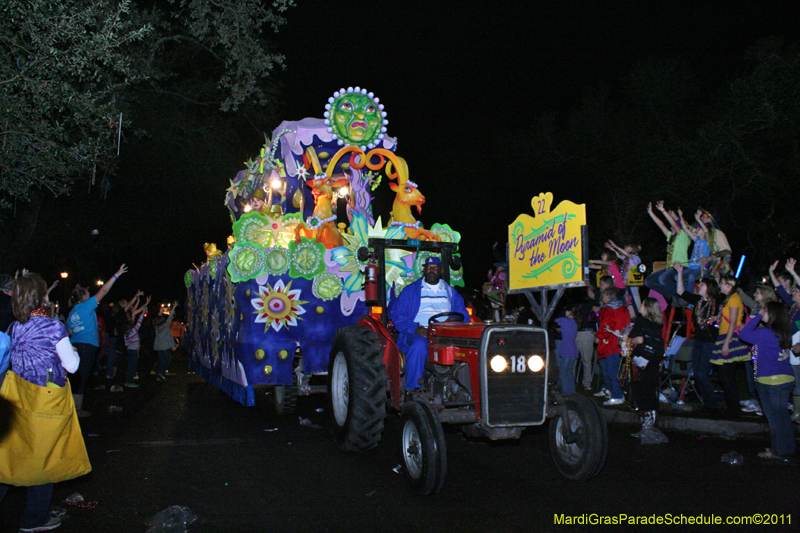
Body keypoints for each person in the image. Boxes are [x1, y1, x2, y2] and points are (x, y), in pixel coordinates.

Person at [0, 273, 80, 532]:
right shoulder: (53, 326)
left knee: (13, 456)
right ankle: (34, 520)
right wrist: (74, 351)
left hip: (17, 400)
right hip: (46, 402)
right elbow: (72, 366)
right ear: (40, 296)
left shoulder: (14, 327)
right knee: (43, 459)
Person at [389, 257, 468, 393]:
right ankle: (413, 389)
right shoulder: (410, 291)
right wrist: (415, 328)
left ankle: (463, 387)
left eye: (435, 268)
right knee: (419, 346)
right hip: (420, 332)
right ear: (424, 270)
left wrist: (453, 319)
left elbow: (463, 315)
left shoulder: (450, 292)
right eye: (428, 268)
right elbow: (397, 315)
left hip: (445, 333)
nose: (431, 271)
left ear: (441, 270)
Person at [66, 265, 128, 416]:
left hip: (75, 346)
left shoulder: (72, 312)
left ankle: (71, 407)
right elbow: (104, 291)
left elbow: (69, 332)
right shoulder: (86, 306)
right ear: (84, 297)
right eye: (87, 293)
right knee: (83, 377)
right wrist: (116, 274)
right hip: (87, 347)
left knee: (76, 377)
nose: (89, 294)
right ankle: (77, 410)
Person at [737, 301, 795, 460]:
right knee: (782, 416)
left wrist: (758, 317)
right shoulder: (783, 332)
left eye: (766, 310)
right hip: (785, 379)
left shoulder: (767, 333)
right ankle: (786, 448)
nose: (763, 312)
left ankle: (778, 451)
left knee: (775, 419)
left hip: (771, 382)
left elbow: (744, 333)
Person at [675, 263, 722, 410]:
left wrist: (718, 317)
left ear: (709, 287)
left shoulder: (718, 301)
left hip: (710, 341)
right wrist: (680, 273)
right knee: (698, 372)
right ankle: (706, 402)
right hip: (699, 341)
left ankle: (712, 404)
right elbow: (681, 292)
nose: (698, 286)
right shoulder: (697, 301)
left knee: (702, 374)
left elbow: (726, 312)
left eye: (702, 284)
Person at [623, 298, 665, 436]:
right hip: (652, 361)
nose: (640, 306)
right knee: (650, 391)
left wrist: (627, 340)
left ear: (646, 308)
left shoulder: (641, 321)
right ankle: (652, 421)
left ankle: (646, 424)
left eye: (642, 304)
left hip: (640, 361)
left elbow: (639, 339)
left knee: (640, 391)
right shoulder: (656, 324)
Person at [709, 275, 749, 418]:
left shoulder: (734, 299)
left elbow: (733, 322)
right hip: (724, 335)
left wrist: (726, 343)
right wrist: (717, 319)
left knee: (727, 376)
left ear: (729, 285)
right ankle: (732, 407)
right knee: (725, 375)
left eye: (722, 283)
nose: (720, 285)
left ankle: (734, 409)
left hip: (729, 337)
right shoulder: (729, 299)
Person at [595, 287, 630, 405]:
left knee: (611, 370)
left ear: (609, 296)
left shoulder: (608, 310)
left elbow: (605, 327)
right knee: (618, 369)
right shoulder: (624, 309)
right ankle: (615, 391)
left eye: (604, 295)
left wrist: (598, 335)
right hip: (621, 343)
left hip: (609, 344)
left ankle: (616, 395)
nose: (602, 297)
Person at [123, 296, 150, 388]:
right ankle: (129, 381)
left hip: (129, 350)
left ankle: (128, 379)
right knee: (132, 366)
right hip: (133, 351)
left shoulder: (125, 334)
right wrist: (143, 312)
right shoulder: (133, 331)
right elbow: (140, 321)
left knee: (129, 366)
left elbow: (126, 344)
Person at [555, 306, 579, 395]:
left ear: (569, 312)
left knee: (563, 371)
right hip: (573, 350)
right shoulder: (574, 323)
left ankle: (565, 392)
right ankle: (572, 391)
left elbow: (554, 320)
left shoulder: (564, 320)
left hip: (566, 350)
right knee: (569, 371)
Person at [153, 302, 179, 381]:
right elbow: (170, 317)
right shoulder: (165, 326)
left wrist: (160, 312)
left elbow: (158, 318)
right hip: (165, 346)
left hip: (158, 346)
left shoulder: (157, 327)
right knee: (166, 360)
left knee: (161, 360)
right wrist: (174, 307)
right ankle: (161, 373)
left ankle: (160, 373)